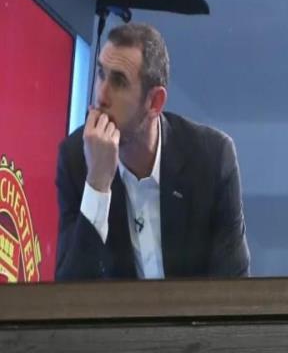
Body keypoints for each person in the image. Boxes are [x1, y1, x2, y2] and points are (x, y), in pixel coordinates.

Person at [55, 23, 250, 280]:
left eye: (119, 82)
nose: (101, 96)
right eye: (101, 74)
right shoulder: (76, 160)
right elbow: (69, 295)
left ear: (155, 102)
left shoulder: (211, 159)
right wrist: (97, 185)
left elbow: (234, 288)